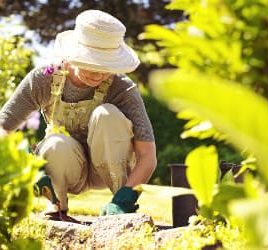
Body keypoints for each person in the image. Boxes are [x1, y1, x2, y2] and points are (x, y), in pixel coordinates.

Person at [0, 10, 156, 221]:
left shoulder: (122, 88)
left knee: (106, 114)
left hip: (110, 169)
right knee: (55, 142)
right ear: (73, 55)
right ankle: (57, 208)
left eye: (106, 67)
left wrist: (127, 195)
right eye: (92, 64)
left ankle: (119, 209)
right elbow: (3, 129)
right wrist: (27, 166)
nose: (98, 75)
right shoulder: (43, 80)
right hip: (64, 168)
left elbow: (148, 156)